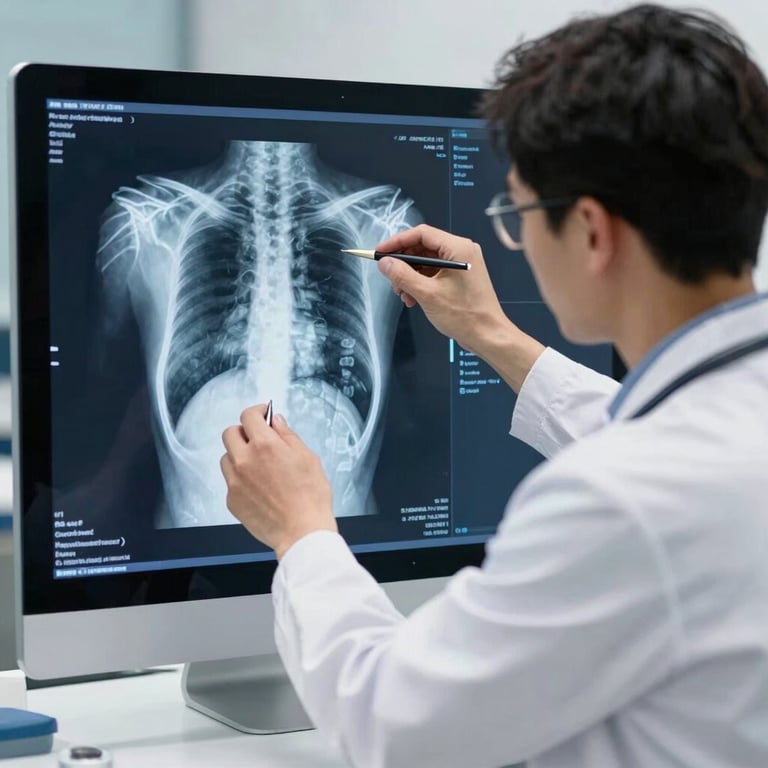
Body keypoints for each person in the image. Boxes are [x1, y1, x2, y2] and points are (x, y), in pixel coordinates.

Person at [220, 4, 768, 767]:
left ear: (591, 230)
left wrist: (302, 531)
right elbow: (676, 449)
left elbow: (393, 727)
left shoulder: (620, 502)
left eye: (518, 212)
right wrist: (495, 336)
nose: (516, 235)